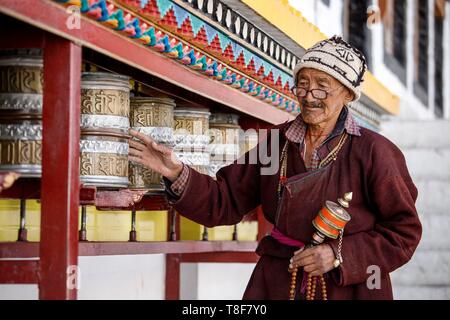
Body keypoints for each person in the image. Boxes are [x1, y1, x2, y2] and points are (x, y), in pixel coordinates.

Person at [128, 36, 422, 300]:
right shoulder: (276, 143)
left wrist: (337, 254)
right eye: (303, 84)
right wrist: (177, 172)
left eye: (322, 87)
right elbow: (225, 200)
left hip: (351, 287)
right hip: (280, 279)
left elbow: (403, 232)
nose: (308, 96)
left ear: (347, 94)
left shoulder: (375, 152)